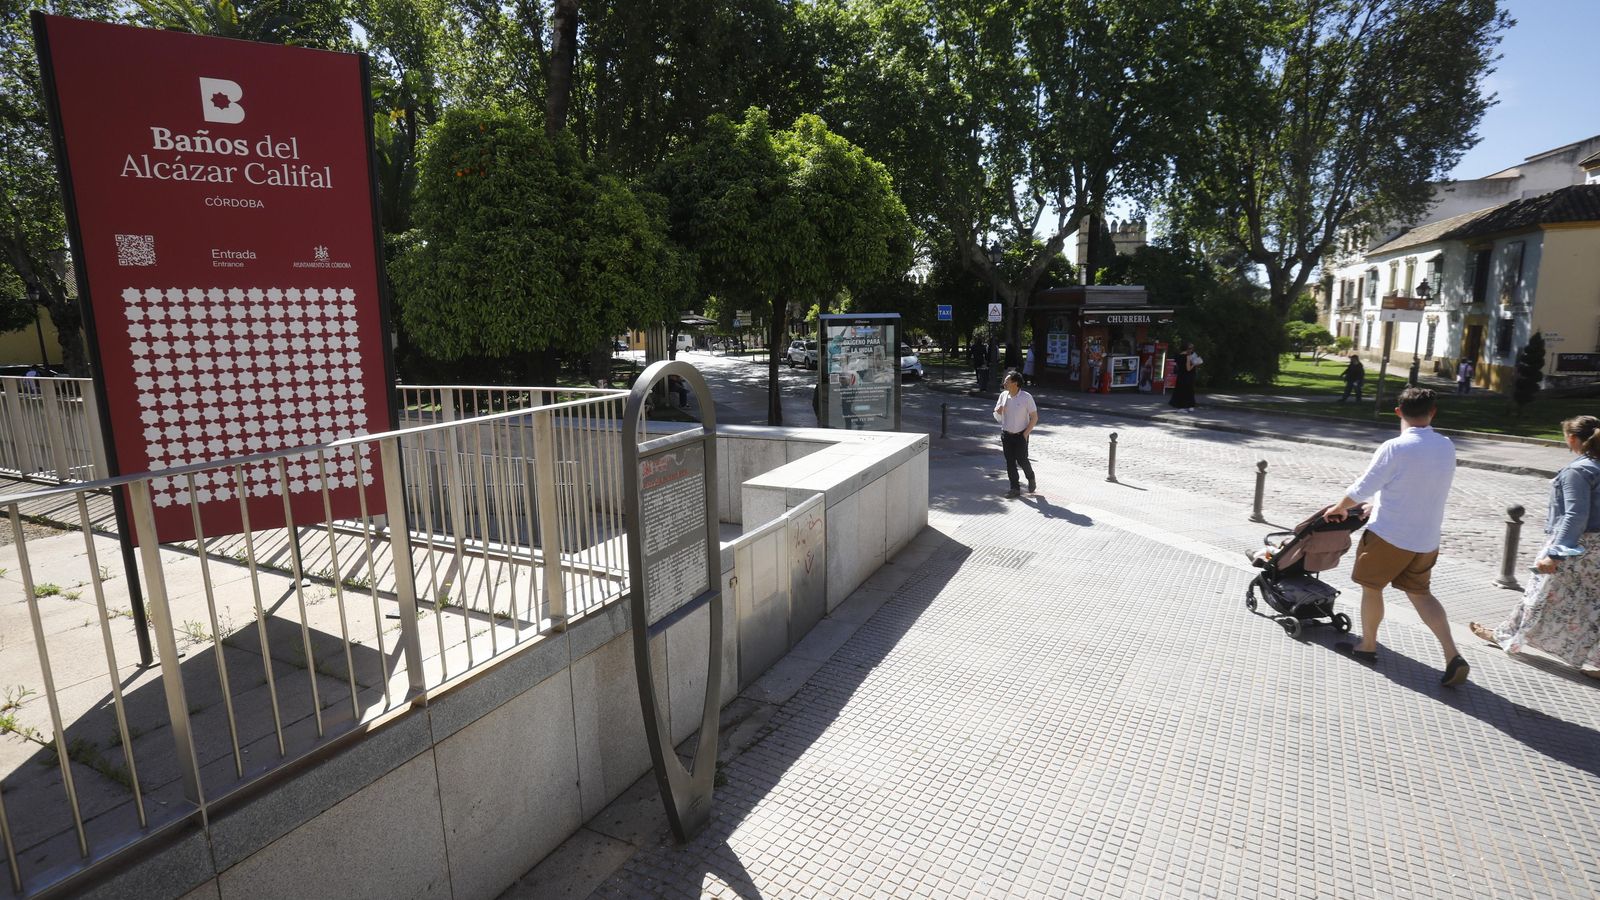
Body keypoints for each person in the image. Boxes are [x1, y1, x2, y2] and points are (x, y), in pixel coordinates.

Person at [1323, 387, 1469, 686]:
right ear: (1433, 412)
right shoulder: (1446, 446)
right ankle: (1453, 654)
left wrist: (1338, 508)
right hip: (1426, 539)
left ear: (1398, 412)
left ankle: (1367, 646)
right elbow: (1417, 484)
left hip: (1390, 535)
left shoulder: (1395, 447)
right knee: (1421, 593)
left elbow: (1362, 486)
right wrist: (1375, 502)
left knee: (1371, 587)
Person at [1469, 415, 1600, 678]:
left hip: (1576, 546)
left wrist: (1555, 553)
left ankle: (1505, 635)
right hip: (1595, 548)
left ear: (1573, 439)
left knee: (1537, 594)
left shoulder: (1579, 470)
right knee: (1592, 604)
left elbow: (1575, 515)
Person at [992, 370, 1037, 498]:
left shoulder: (1026, 397)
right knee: (1010, 461)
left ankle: (1031, 477)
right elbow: (997, 416)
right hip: (1006, 434)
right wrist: (999, 411)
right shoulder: (1003, 396)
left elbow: (1034, 417)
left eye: (1007, 381)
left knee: (1022, 460)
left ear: (1015, 383)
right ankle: (1014, 488)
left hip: (1021, 435)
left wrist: (1025, 434)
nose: (1004, 383)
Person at [1168, 343, 1199, 410]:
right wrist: (1194, 364)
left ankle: (1181, 406)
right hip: (1188, 376)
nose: (1192, 350)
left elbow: (1178, 365)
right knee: (1188, 391)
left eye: (1192, 348)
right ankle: (1186, 406)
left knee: (1180, 391)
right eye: (1190, 348)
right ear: (1186, 349)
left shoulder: (1178, 355)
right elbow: (1188, 369)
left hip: (1180, 376)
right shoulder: (1187, 356)